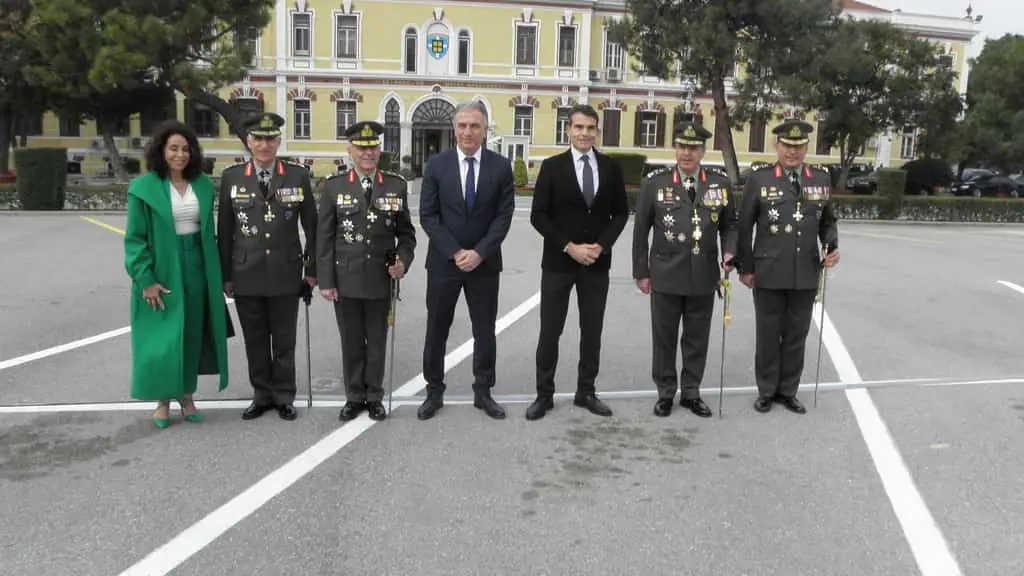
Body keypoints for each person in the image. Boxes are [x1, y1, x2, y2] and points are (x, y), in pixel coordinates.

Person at [124, 120, 232, 429]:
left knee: (192, 333)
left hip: (198, 264)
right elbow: (135, 239)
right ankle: (162, 400)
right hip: (163, 267)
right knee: (164, 337)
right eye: (173, 148)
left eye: (186, 149)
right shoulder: (143, 188)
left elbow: (209, 231)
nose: (180, 155)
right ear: (161, 151)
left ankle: (187, 396)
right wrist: (145, 280)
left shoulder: (202, 185)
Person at [525, 104, 628, 421]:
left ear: (598, 132)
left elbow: (621, 213)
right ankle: (544, 395)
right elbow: (539, 215)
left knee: (592, 332)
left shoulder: (610, 167)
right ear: (568, 130)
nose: (584, 133)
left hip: (596, 264)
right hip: (558, 263)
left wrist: (602, 245)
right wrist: (569, 247)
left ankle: (586, 392)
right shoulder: (552, 166)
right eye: (579, 127)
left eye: (590, 128)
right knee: (550, 331)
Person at [417, 100, 516, 421]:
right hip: (444, 263)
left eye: (475, 125)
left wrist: (479, 252)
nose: (468, 132)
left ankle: (483, 390)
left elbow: (503, 216)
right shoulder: (437, 165)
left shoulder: (500, 167)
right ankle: (434, 391)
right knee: (437, 328)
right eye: (462, 125)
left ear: (485, 129)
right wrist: (456, 252)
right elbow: (428, 216)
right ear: (454, 128)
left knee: (484, 329)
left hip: (484, 264)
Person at [217, 112, 318, 421]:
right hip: (246, 273)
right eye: (258, 139)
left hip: (286, 273)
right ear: (249, 142)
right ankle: (261, 394)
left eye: (270, 139)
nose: (264, 145)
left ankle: (284, 395)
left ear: (278, 142)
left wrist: (311, 270)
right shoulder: (232, 177)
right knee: (255, 340)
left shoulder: (297, 175)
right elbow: (225, 230)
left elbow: (312, 227)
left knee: (284, 340)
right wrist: (226, 275)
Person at [632, 122, 737, 418]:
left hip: (703, 275)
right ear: (675, 149)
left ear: (703, 151)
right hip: (665, 274)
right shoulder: (655, 183)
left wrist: (730, 252)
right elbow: (641, 230)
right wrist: (641, 271)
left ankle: (691, 392)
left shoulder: (719, 183)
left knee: (697, 338)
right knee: (664, 338)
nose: (686, 153)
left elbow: (730, 225)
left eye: (693, 148)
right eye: (682, 147)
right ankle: (666, 393)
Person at [736, 119, 840, 414]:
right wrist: (746, 267)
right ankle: (766, 390)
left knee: (796, 336)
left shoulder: (820, 178)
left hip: (805, 271)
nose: (792, 152)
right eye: (787, 146)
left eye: (799, 146)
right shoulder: (760, 179)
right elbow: (744, 226)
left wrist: (831, 245)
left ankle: (788, 391)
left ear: (806, 147)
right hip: (768, 271)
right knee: (768, 335)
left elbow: (827, 220)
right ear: (776, 146)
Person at [316, 121, 416, 422]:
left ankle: (374, 396)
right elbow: (324, 238)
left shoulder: (395, 185)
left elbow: (406, 235)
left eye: (372, 147)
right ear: (350, 150)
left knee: (376, 342)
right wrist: (325, 281)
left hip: (379, 279)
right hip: (345, 279)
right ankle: (353, 396)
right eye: (361, 147)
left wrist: (402, 261)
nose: (368, 153)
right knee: (351, 342)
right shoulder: (334, 186)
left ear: (379, 149)